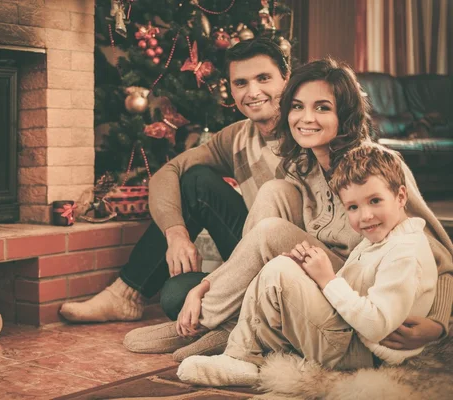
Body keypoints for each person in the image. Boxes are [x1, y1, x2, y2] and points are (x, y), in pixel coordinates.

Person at [124, 58, 453, 363]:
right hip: (320, 287)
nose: (306, 118)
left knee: (270, 230)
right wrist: (202, 280)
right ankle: (229, 324)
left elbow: (440, 254)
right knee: (274, 192)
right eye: (297, 107)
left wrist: (439, 325)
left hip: (364, 298)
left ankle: (207, 321)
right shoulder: (301, 167)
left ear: (345, 115)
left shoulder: (375, 167)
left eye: (322, 108)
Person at [59, 38, 289, 326]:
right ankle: (126, 295)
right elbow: (168, 173)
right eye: (241, 83)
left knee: (186, 299)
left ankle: (257, 314)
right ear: (231, 89)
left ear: (286, 78)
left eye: (264, 78)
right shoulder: (237, 137)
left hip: (295, 263)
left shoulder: (309, 127)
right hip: (251, 256)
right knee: (175, 295)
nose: (253, 92)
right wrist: (176, 235)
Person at [177, 142, 439, 386]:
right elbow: (355, 288)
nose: (366, 216)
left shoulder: (404, 252)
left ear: (401, 196)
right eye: (353, 207)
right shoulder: (382, 238)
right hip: (352, 335)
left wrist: (326, 279)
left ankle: (240, 358)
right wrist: (310, 277)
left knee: (280, 273)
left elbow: (376, 324)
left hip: (362, 351)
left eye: (375, 201)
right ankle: (244, 353)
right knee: (282, 267)